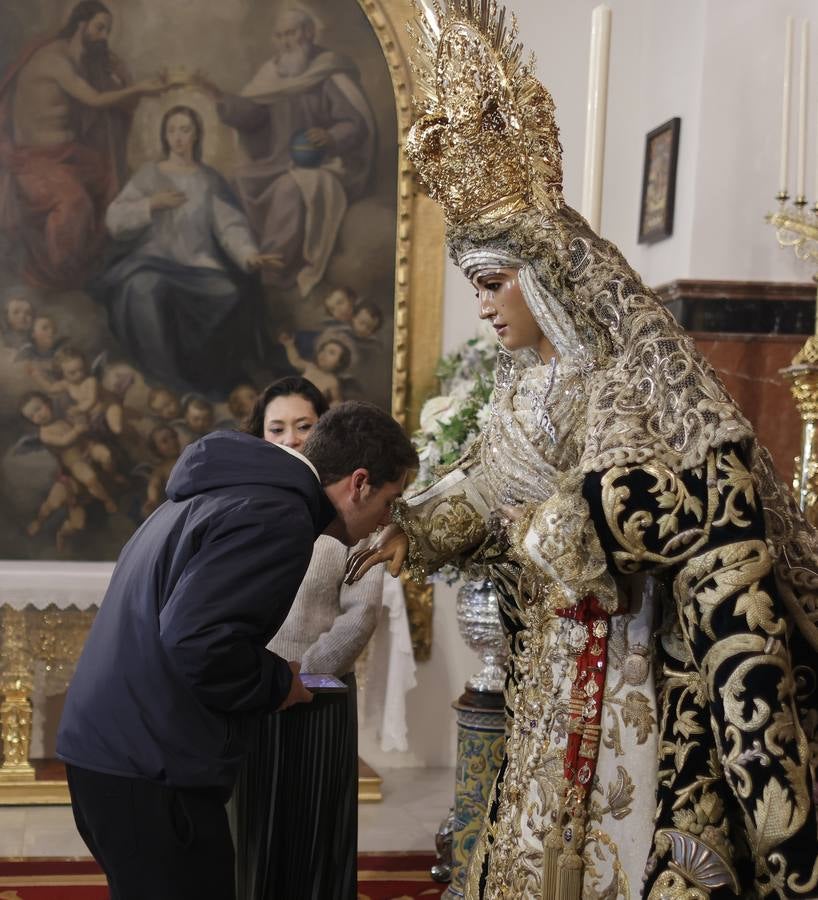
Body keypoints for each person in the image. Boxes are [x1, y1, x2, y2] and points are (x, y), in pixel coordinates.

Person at [348, 4, 818, 899]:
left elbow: (659, 506)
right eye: (476, 288)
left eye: (494, 285)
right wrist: (424, 528)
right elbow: (489, 482)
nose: (483, 308)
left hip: (627, 659)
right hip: (557, 660)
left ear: (550, 277)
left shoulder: (620, 381)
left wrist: (552, 526)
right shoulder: (526, 385)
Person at [56, 400, 417, 900]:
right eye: (391, 501)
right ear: (359, 483)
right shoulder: (278, 514)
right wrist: (278, 682)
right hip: (149, 764)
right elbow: (199, 643)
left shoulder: (233, 488)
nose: (385, 522)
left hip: (117, 749)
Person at [231, 376, 385, 900]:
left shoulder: (355, 509)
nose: (292, 438)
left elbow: (360, 612)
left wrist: (305, 675)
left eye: (304, 425)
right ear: (260, 435)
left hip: (321, 695)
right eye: (277, 428)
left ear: (324, 431)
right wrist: (268, 681)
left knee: (315, 836)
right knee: (250, 831)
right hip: (252, 693)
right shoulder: (244, 504)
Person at [93, 105, 282, 396]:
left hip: (199, 265)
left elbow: (228, 224)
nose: (178, 137)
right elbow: (114, 219)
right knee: (143, 288)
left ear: (196, 135)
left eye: (185, 130)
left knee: (229, 294)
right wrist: (151, 204)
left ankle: (204, 377)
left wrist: (247, 254)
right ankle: (165, 378)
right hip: (152, 261)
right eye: (172, 130)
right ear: (164, 136)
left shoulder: (208, 180)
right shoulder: (149, 176)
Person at [194, 5, 375, 295]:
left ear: (308, 33)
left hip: (325, 165)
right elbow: (252, 115)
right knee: (238, 180)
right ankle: (243, 259)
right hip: (279, 160)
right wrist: (219, 97)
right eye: (280, 36)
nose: (285, 42)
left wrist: (329, 136)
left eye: (290, 33)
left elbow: (355, 124)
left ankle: (272, 274)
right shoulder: (272, 75)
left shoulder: (328, 72)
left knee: (289, 190)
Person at [0, 1, 170, 289]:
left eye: (108, 30)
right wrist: (140, 87)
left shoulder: (81, 59)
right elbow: (94, 99)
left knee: (110, 178)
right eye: (100, 27)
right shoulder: (54, 59)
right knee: (74, 202)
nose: (104, 36)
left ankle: (93, 257)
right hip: (37, 159)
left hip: (67, 154)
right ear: (81, 24)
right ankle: (60, 271)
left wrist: (126, 79)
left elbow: (117, 98)